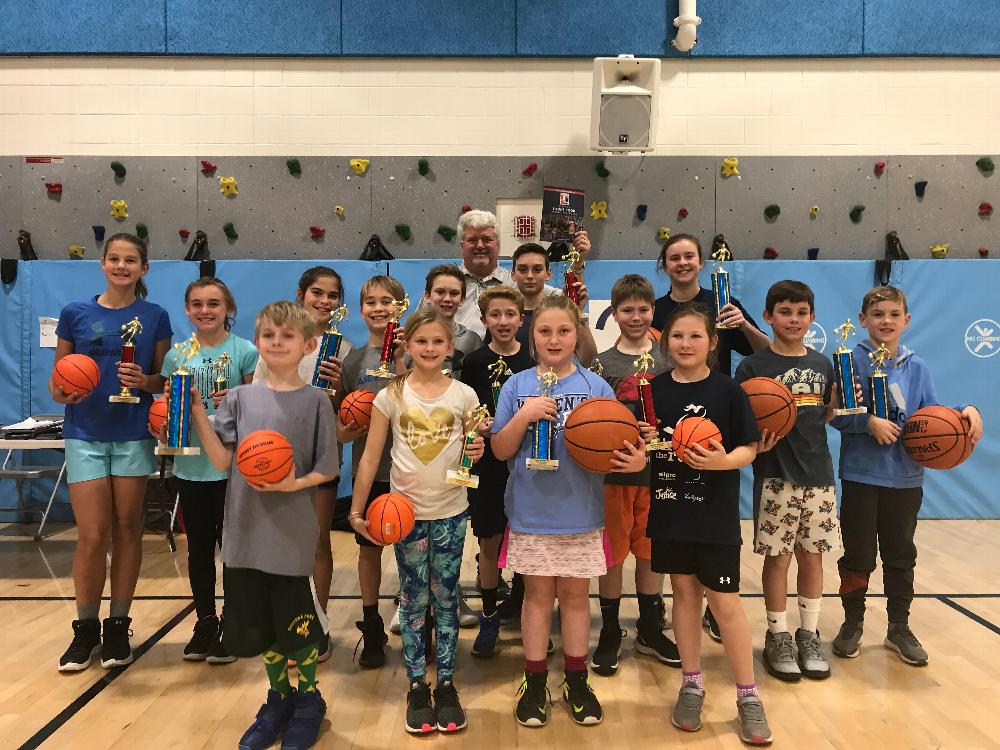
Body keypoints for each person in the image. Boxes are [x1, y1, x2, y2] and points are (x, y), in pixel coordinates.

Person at [491, 294, 645, 728]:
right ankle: (535, 679)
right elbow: (500, 448)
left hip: (582, 513)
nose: (554, 339)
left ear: (578, 334)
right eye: (545, 331)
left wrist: (636, 459)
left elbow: (622, 446)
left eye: (563, 331)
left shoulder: (597, 388)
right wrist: (525, 416)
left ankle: (576, 678)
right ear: (531, 336)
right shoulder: (516, 385)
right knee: (538, 598)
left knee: (576, 598)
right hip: (531, 514)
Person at [192, 300, 339, 750]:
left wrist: (294, 482)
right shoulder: (238, 397)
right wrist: (196, 409)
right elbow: (221, 460)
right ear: (256, 343)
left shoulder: (316, 401)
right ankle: (277, 697)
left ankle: (309, 699)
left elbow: (328, 469)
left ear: (308, 345)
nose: (277, 343)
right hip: (243, 531)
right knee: (260, 626)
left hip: (290, 535)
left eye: (287, 336)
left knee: (296, 627)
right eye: (269, 336)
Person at [830, 285, 982, 666]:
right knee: (859, 555)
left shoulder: (917, 366)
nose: (886, 321)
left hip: (905, 479)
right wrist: (867, 422)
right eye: (877, 314)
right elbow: (834, 416)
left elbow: (933, 415)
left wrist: (967, 409)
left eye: (893, 315)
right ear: (863, 320)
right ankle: (852, 623)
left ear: (906, 321)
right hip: (861, 476)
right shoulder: (850, 360)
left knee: (900, 555)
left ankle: (899, 626)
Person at [349, 308, 484, 734]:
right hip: (404, 515)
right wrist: (356, 509)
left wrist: (477, 450)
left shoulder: (465, 395)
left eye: (437, 342)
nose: (429, 349)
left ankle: (445, 683)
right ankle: (414, 685)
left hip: (451, 511)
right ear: (407, 345)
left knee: (446, 599)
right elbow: (372, 456)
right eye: (421, 342)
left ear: (450, 348)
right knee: (412, 599)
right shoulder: (390, 395)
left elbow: (475, 447)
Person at [644, 302, 772, 746]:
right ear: (665, 342)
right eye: (677, 336)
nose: (685, 343)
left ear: (712, 343)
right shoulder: (652, 390)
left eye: (696, 336)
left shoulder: (728, 391)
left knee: (724, 602)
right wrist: (644, 447)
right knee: (682, 593)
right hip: (670, 508)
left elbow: (749, 450)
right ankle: (691, 682)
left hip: (714, 513)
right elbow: (651, 445)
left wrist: (721, 461)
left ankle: (748, 694)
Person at [53, 233, 172, 673]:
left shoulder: (154, 316)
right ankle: (84, 628)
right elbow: (57, 381)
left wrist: (144, 382)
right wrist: (66, 389)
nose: (122, 266)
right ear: (102, 263)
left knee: (128, 529)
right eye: (114, 259)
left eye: (131, 260)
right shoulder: (75, 314)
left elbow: (164, 381)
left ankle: (117, 625)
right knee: (91, 533)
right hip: (84, 431)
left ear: (144, 268)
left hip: (133, 433)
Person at [649, 233, 770, 640]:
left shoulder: (723, 303)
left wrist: (744, 325)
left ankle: (715, 603)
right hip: (673, 419)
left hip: (712, 419)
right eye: (674, 257)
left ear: (701, 261)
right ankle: (679, 621)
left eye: (689, 256)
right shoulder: (658, 310)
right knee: (679, 548)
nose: (682, 263)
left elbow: (764, 352)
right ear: (664, 264)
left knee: (712, 509)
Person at [734, 280, 838, 683]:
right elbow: (743, 421)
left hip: (819, 476)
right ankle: (777, 634)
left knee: (813, 557)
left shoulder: (825, 364)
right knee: (777, 559)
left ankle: (809, 634)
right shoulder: (752, 367)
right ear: (768, 316)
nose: (793, 320)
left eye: (801, 313)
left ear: (811, 318)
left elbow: (826, 415)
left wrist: (838, 407)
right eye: (785, 312)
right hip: (775, 476)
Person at [157, 277, 257, 663]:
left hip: (231, 464)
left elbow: (257, 405)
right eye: (197, 304)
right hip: (191, 463)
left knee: (231, 549)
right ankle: (204, 621)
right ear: (187, 309)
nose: (205, 310)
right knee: (198, 549)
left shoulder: (244, 350)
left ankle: (233, 621)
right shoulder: (177, 356)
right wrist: (163, 421)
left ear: (228, 307)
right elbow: (169, 411)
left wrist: (237, 398)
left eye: (213, 303)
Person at [253, 266, 351, 660]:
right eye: (317, 292)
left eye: (333, 295)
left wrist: (339, 387)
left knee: (316, 542)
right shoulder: (278, 340)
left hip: (321, 455)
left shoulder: (340, 348)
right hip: (279, 457)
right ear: (300, 294)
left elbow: (342, 408)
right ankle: (285, 622)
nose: (325, 300)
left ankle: (318, 624)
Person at [591, 275, 680, 677]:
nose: (636, 316)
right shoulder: (603, 366)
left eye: (643, 309)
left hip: (659, 472)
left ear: (652, 311)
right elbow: (595, 422)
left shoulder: (669, 358)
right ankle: (610, 629)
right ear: (614, 313)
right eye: (627, 309)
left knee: (650, 552)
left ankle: (648, 626)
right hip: (616, 474)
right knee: (612, 554)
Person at [336, 275, 407, 668]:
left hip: (411, 472)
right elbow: (341, 428)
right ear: (361, 309)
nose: (379, 308)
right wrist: (349, 428)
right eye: (370, 302)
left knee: (415, 553)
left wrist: (400, 362)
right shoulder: (353, 360)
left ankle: (418, 621)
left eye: (387, 301)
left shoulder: (414, 355)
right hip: (371, 470)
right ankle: (372, 622)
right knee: (369, 550)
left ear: (402, 306)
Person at [459, 286, 534, 658]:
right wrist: (478, 427)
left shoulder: (536, 361)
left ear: (521, 319)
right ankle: (488, 616)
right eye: (495, 315)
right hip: (488, 466)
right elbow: (467, 418)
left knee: (525, 540)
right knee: (490, 542)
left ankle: (522, 608)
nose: (503, 321)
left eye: (510, 315)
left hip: (527, 465)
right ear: (484, 319)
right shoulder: (473, 362)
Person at [453, 209, 590, 339]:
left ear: (498, 244)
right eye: (472, 240)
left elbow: (566, 301)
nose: (480, 245)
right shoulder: (448, 286)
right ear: (462, 246)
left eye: (487, 239)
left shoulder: (518, 282)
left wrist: (578, 263)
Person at [508, 242, 598, 365]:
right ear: (513, 274)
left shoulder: (564, 307)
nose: (529, 276)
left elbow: (590, 360)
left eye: (537, 269)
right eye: (523, 270)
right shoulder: (503, 311)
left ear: (548, 274)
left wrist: (577, 312)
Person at [420, 263, 483, 377]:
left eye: (454, 293)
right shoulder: (413, 337)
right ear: (427, 296)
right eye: (440, 292)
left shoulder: (471, 340)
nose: (447, 299)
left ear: (462, 299)